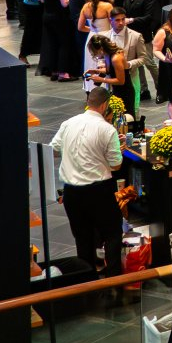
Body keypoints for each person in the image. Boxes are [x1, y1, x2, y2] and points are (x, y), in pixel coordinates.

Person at [52, 81, 124, 278]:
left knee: (82, 238)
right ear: (104, 106)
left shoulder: (68, 123)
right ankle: (113, 278)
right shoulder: (107, 130)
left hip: (72, 192)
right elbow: (116, 164)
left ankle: (87, 280)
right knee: (112, 233)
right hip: (99, 191)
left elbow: (55, 148)